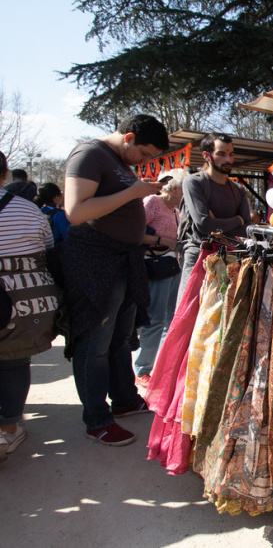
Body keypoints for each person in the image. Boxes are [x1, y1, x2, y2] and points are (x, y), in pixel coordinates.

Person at [60, 114, 170, 447]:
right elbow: (76, 212)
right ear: (129, 137)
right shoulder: (89, 155)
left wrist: (149, 239)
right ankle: (97, 418)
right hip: (97, 264)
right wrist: (134, 192)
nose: (145, 161)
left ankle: (124, 398)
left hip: (123, 260)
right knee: (95, 343)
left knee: (120, 339)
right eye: (145, 154)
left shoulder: (118, 162)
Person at [0, 150, 60, 462]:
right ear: (5, 173)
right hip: (19, 299)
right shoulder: (28, 209)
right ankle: (8, 429)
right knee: (12, 362)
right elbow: (47, 248)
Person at [177, 133, 251, 303]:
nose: (228, 159)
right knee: (188, 315)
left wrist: (219, 224)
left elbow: (246, 228)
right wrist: (236, 220)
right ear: (207, 156)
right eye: (221, 154)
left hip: (229, 258)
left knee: (221, 317)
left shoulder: (238, 190)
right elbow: (203, 224)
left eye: (231, 154)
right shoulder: (193, 182)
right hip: (199, 255)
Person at [133, 169, 185, 388]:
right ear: (173, 187)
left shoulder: (174, 209)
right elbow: (134, 233)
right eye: (184, 188)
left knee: (171, 319)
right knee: (155, 320)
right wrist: (162, 240)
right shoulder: (152, 202)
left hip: (171, 266)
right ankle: (142, 369)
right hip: (155, 266)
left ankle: (162, 368)